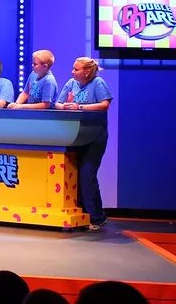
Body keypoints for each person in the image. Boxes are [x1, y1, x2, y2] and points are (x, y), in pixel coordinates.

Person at [55, 57, 113, 231]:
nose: (72, 72)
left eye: (76, 69)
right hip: (74, 136)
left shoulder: (98, 83)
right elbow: (58, 104)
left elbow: (104, 105)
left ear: (87, 71)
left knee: (87, 175)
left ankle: (97, 216)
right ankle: (80, 215)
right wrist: (65, 107)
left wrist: (79, 107)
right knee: (72, 176)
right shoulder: (71, 83)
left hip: (95, 137)